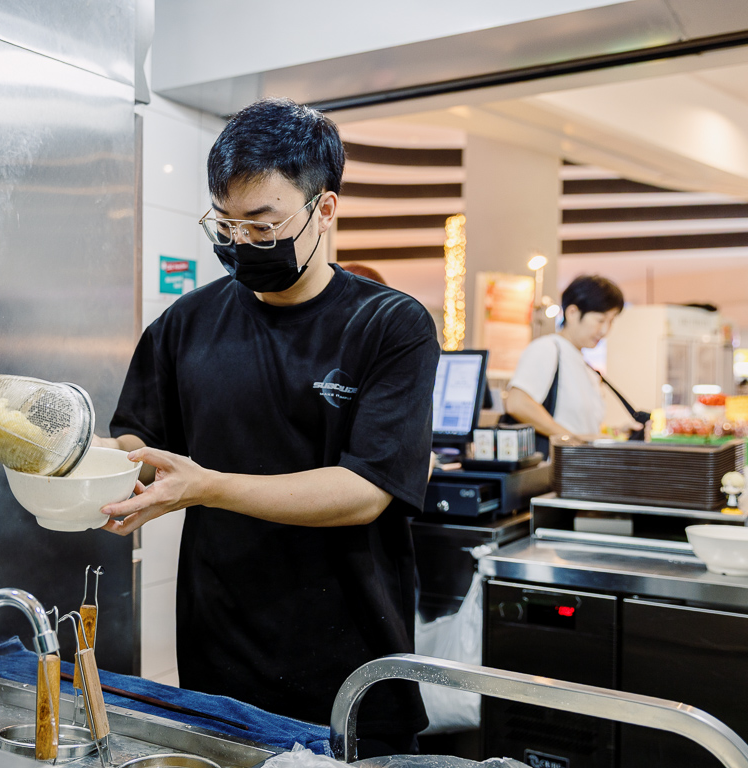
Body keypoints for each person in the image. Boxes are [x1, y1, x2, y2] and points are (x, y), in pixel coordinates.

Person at [94, 98, 440, 755]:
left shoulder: (391, 325)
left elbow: (366, 490)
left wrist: (205, 487)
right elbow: (141, 438)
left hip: (350, 668)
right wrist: (90, 463)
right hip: (218, 652)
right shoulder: (185, 324)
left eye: (262, 225)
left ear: (325, 209)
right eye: (224, 225)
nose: (240, 244)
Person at [505, 274, 625, 445]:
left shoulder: (584, 364)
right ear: (572, 313)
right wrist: (573, 440)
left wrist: (617, 432)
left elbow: (580, 424)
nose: (605, 330)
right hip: (556, 466)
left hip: (577, 465)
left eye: (611, 321)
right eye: (600, 320)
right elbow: (517, 403)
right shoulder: (548, 348)